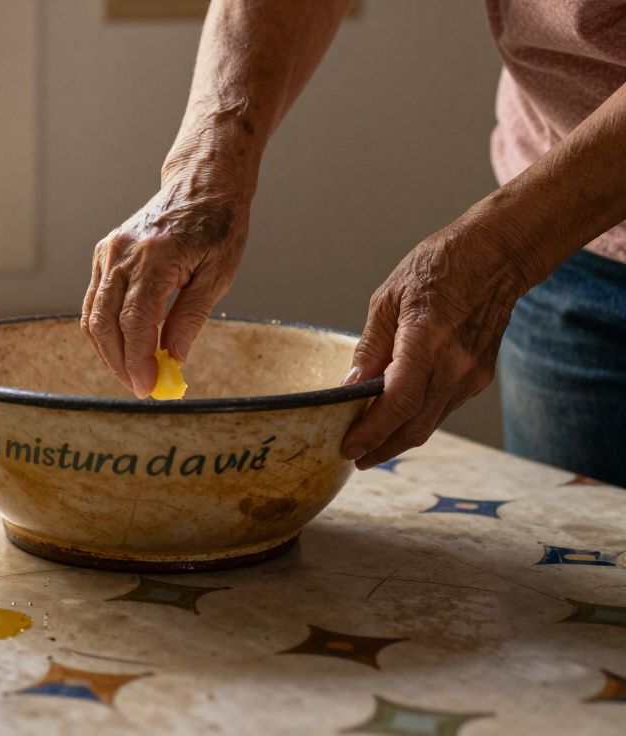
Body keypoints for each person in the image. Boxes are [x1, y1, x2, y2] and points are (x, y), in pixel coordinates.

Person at [81, 0, 626, 486]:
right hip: (574, 253)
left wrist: (507, 249)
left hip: (548, 224)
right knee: (589, 573)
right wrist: (204, 166)